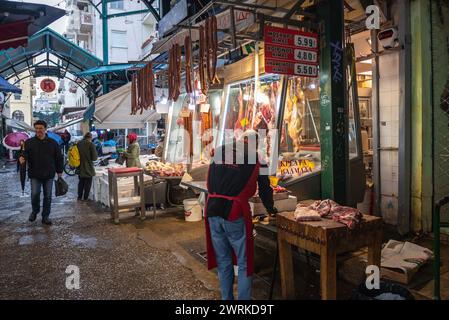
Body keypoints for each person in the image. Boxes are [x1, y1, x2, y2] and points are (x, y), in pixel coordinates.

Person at [204, 130, 277, 300]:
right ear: (254, 142)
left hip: (213, 209)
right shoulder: (257, 158)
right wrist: (271, 209)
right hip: (234, 213)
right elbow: (265, 189)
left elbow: (209, 182)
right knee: (244, 263)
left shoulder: (220, 150)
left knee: (223, 261)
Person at [19, 120, 63, 225]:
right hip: (35, 173)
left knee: (48, 196)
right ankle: (35, 211)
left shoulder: (53, 143)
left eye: (41, 128)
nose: (38, 130)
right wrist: (21, 158)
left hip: (49, 174)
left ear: (45, 129)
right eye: (37, 128)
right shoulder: (29, 142)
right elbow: (22, 153)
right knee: (35, 194)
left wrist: (59, 171)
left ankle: (45, 216)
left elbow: (59, 158)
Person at [76, 132, 98, 201]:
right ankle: (85, 197)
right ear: (90, 138)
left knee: (81, 182)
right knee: (88, 184)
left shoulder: (78, 143)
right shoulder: (91, 144)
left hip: (79, 167)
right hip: (88, 167)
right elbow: (94, 158)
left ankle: (79, 197)